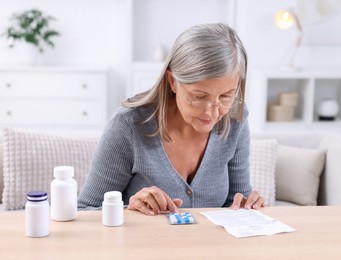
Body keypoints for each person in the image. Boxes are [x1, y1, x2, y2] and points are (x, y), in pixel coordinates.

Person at [77, 23, 265, 215]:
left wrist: (246, 206)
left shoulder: (235, 118)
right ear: (173, 81)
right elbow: (84, 210)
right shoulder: (128, 126)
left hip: (212, 245)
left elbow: (234, 200)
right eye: (199, 97)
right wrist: (129, 209)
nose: (212, 113)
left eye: (226, 96)